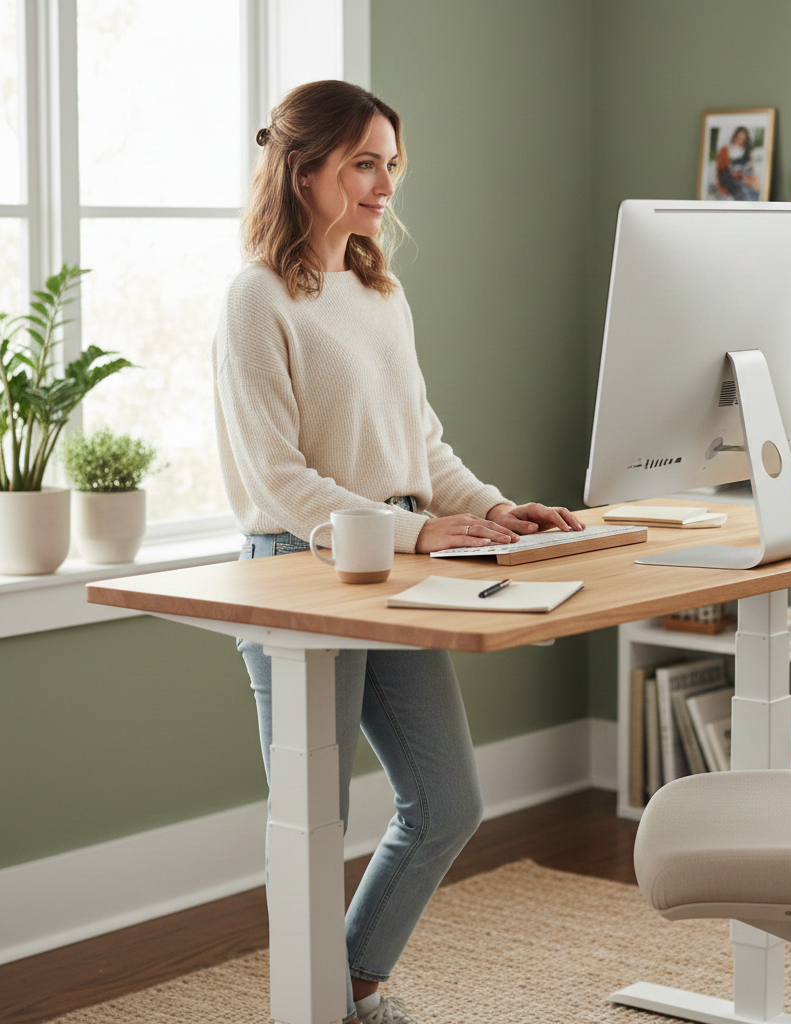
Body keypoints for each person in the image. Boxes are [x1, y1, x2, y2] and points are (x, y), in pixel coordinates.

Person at [213, 79, 585, 1024]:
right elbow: (280, 479)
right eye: (364, 164)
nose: (386, 185)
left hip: (397, 571)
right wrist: (419, 529)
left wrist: (503, 511)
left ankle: (338, 993)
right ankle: (328, 1007)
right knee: (314, 821)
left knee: (447, 802)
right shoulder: (257, 300)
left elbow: (421, 449)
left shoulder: (381, 291)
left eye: (392, 165)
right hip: (297, 570)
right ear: (304, 173)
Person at [715, 125, 760, 201]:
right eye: (739, 136)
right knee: (741, 190)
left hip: (743, 175)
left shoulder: (746, 151)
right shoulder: (727, 149)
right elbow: (723, 170)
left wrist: (747, 169)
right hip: (730, 178)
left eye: (743, 136)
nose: (741, 138)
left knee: (754, 186)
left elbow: (749, 166)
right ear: (735, 136)